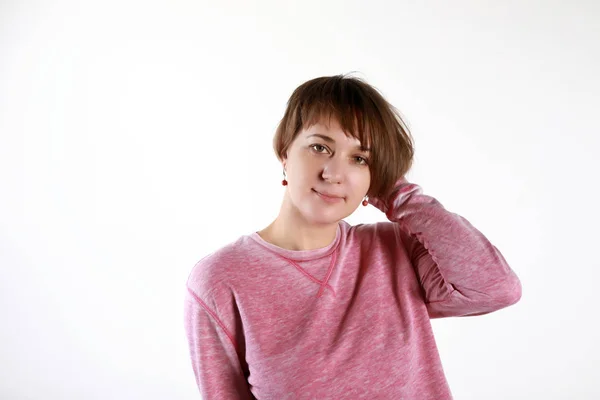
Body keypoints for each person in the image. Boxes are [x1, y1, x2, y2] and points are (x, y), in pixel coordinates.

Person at [183, 74, 522, 399]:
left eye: (359, 158)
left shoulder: (396, 249)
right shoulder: (221, 280)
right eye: (319, 147)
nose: (334, 174)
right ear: (285, 151)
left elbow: (495, 289)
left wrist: (398, 194)